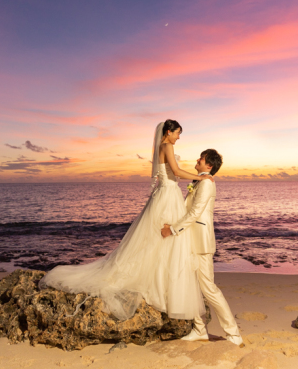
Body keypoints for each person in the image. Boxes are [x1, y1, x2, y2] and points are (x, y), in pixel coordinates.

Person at [40, 120, 212, 321]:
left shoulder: (162, 147)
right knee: (165, 240)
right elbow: (175, 171)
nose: (178, 137)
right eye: (177, 133)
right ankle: (161, 286)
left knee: (160, 240)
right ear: (169, 132)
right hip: (168, 194)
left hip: (166, 193)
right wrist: (202, 178)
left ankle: (161, 284)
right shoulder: (167, 146)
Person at [161, 149, 243, 345]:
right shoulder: (198, 181)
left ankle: (233, 333)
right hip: (190, 240)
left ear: (209, 166)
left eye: (202, 158)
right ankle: (199, 330)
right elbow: (188, 209)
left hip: (201, 243)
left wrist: (172, 230)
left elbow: (196, 212)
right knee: (192, 285)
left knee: (209, 289)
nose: (197, 160)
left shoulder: (206, 183)